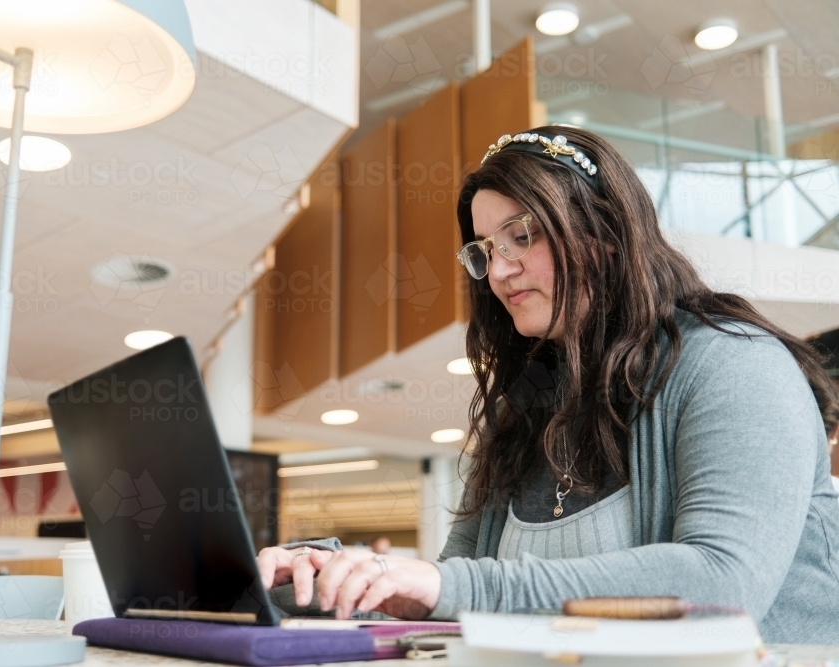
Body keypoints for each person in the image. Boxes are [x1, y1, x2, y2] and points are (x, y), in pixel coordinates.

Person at [256, 126, 839, 644]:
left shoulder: (734, 364)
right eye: (486, 249)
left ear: (607, 234)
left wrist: (447, 585)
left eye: (524, 234)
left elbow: (722, 586)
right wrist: (325, 580)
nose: (501, 270)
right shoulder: (526, 405)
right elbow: (450, 607)